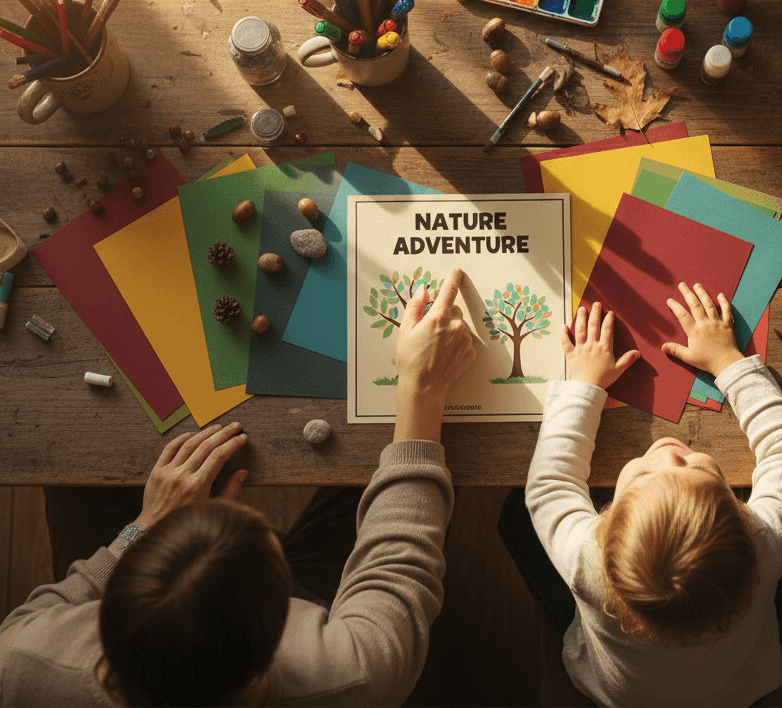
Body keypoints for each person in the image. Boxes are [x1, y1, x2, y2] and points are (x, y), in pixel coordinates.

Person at [0, 268, 475, 707]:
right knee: (422, 469)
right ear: (282, 633)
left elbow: (40, 613)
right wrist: (423, 388)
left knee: (74, 464)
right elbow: (398, 563)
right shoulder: (357, 673)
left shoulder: (20, 661)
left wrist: (141, 530)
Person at [499, 282, 782, 708]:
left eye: (642, 475)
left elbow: (549, 484)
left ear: (603, 527)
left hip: (617, 693)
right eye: (694, 469)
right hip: (739, 685)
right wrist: (729, 361)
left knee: (514, 513)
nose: (667, 452)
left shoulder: (587, 562)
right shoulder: (763, 545)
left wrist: (584, 382)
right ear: (743, 513)